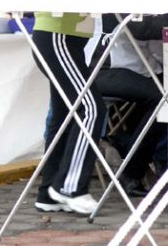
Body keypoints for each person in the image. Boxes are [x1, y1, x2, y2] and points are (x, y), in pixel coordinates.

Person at [31, 12, 106, 215]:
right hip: (58, 35)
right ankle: (69, 187)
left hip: (66, 37)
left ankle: (48, 192)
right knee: (91, 109)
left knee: (64, 114)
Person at [92, 13, 168, 197]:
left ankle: (124, 144)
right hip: (104, 68)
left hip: (135, 68)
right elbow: (140, 27)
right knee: (165, 100)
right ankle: (132, 169)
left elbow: (156, 47)